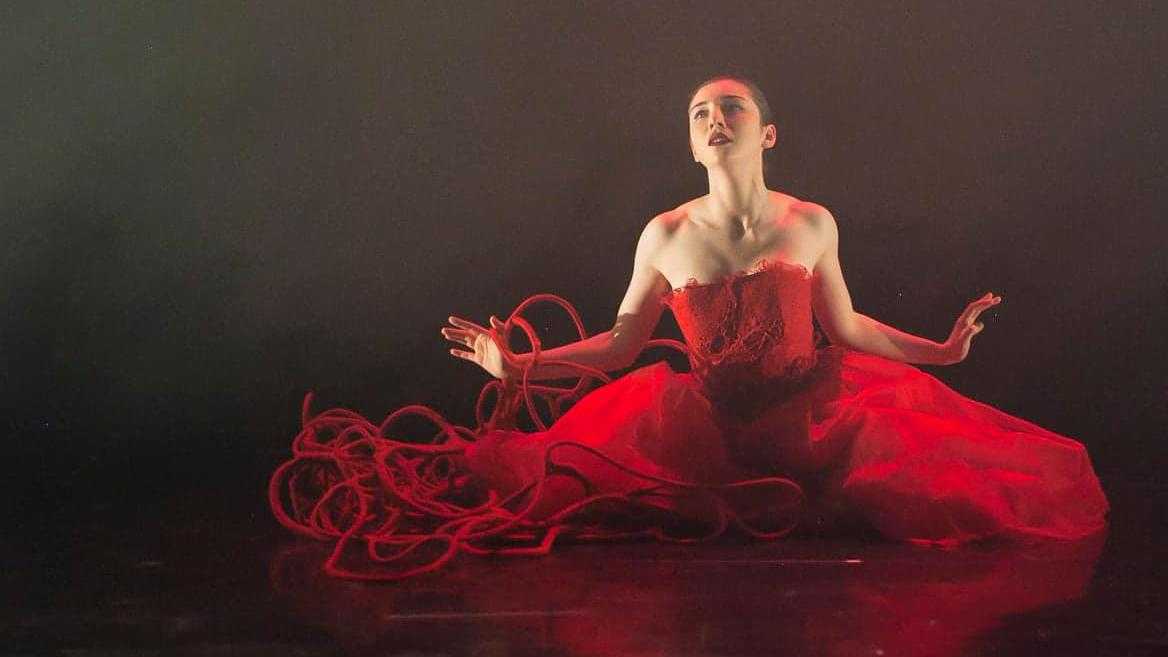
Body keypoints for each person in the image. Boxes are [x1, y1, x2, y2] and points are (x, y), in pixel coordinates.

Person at [270, 75, 1109, 580]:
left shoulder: (810, 222)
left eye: (730, 106)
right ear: (692, 142)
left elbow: (847, 327)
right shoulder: (665, 234)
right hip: (711, 427)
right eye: (700, 111)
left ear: (765, 133)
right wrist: (516, 365)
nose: (714, 117)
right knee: (555, 486)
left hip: (814, 416)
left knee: (950, 494)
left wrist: (943, 352)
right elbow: (621, 344)